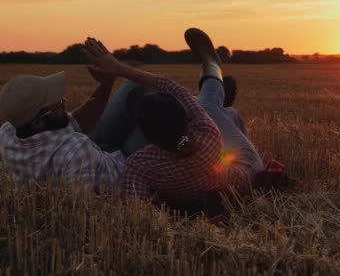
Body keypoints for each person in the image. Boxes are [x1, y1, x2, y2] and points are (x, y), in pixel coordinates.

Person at [83, 29, 265, 212]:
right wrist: (120, 68)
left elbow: (136, 206)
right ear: (187, 118)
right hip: (232, 174)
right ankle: (212, 66)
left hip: (128, 157)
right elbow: (177, 91)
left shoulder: (140, 163)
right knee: (208, 104)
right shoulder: (208, 135)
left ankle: (220, 103)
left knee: (212, 107)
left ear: (147, 140)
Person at [0, 66, 125, 188]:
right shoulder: (76, 149)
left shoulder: (7, 132)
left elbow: (78, 122)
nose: (64, 103)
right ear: (37, 123)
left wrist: (106, 84)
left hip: (95, 155)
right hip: (125, 165)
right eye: (57, 105)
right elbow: (80, 203)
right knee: (137, 88)